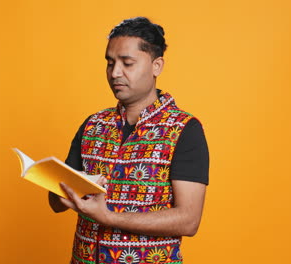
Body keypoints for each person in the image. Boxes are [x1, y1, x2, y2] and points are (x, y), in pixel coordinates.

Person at [49, 17, 209, 264]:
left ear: (157, 66)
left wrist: (108, 217)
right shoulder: (93, 125)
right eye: (110, 63)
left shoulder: (184, 129)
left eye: (127, 63)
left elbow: (188, 220)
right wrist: (61, 194)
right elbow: (56, 201)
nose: (115, 73)